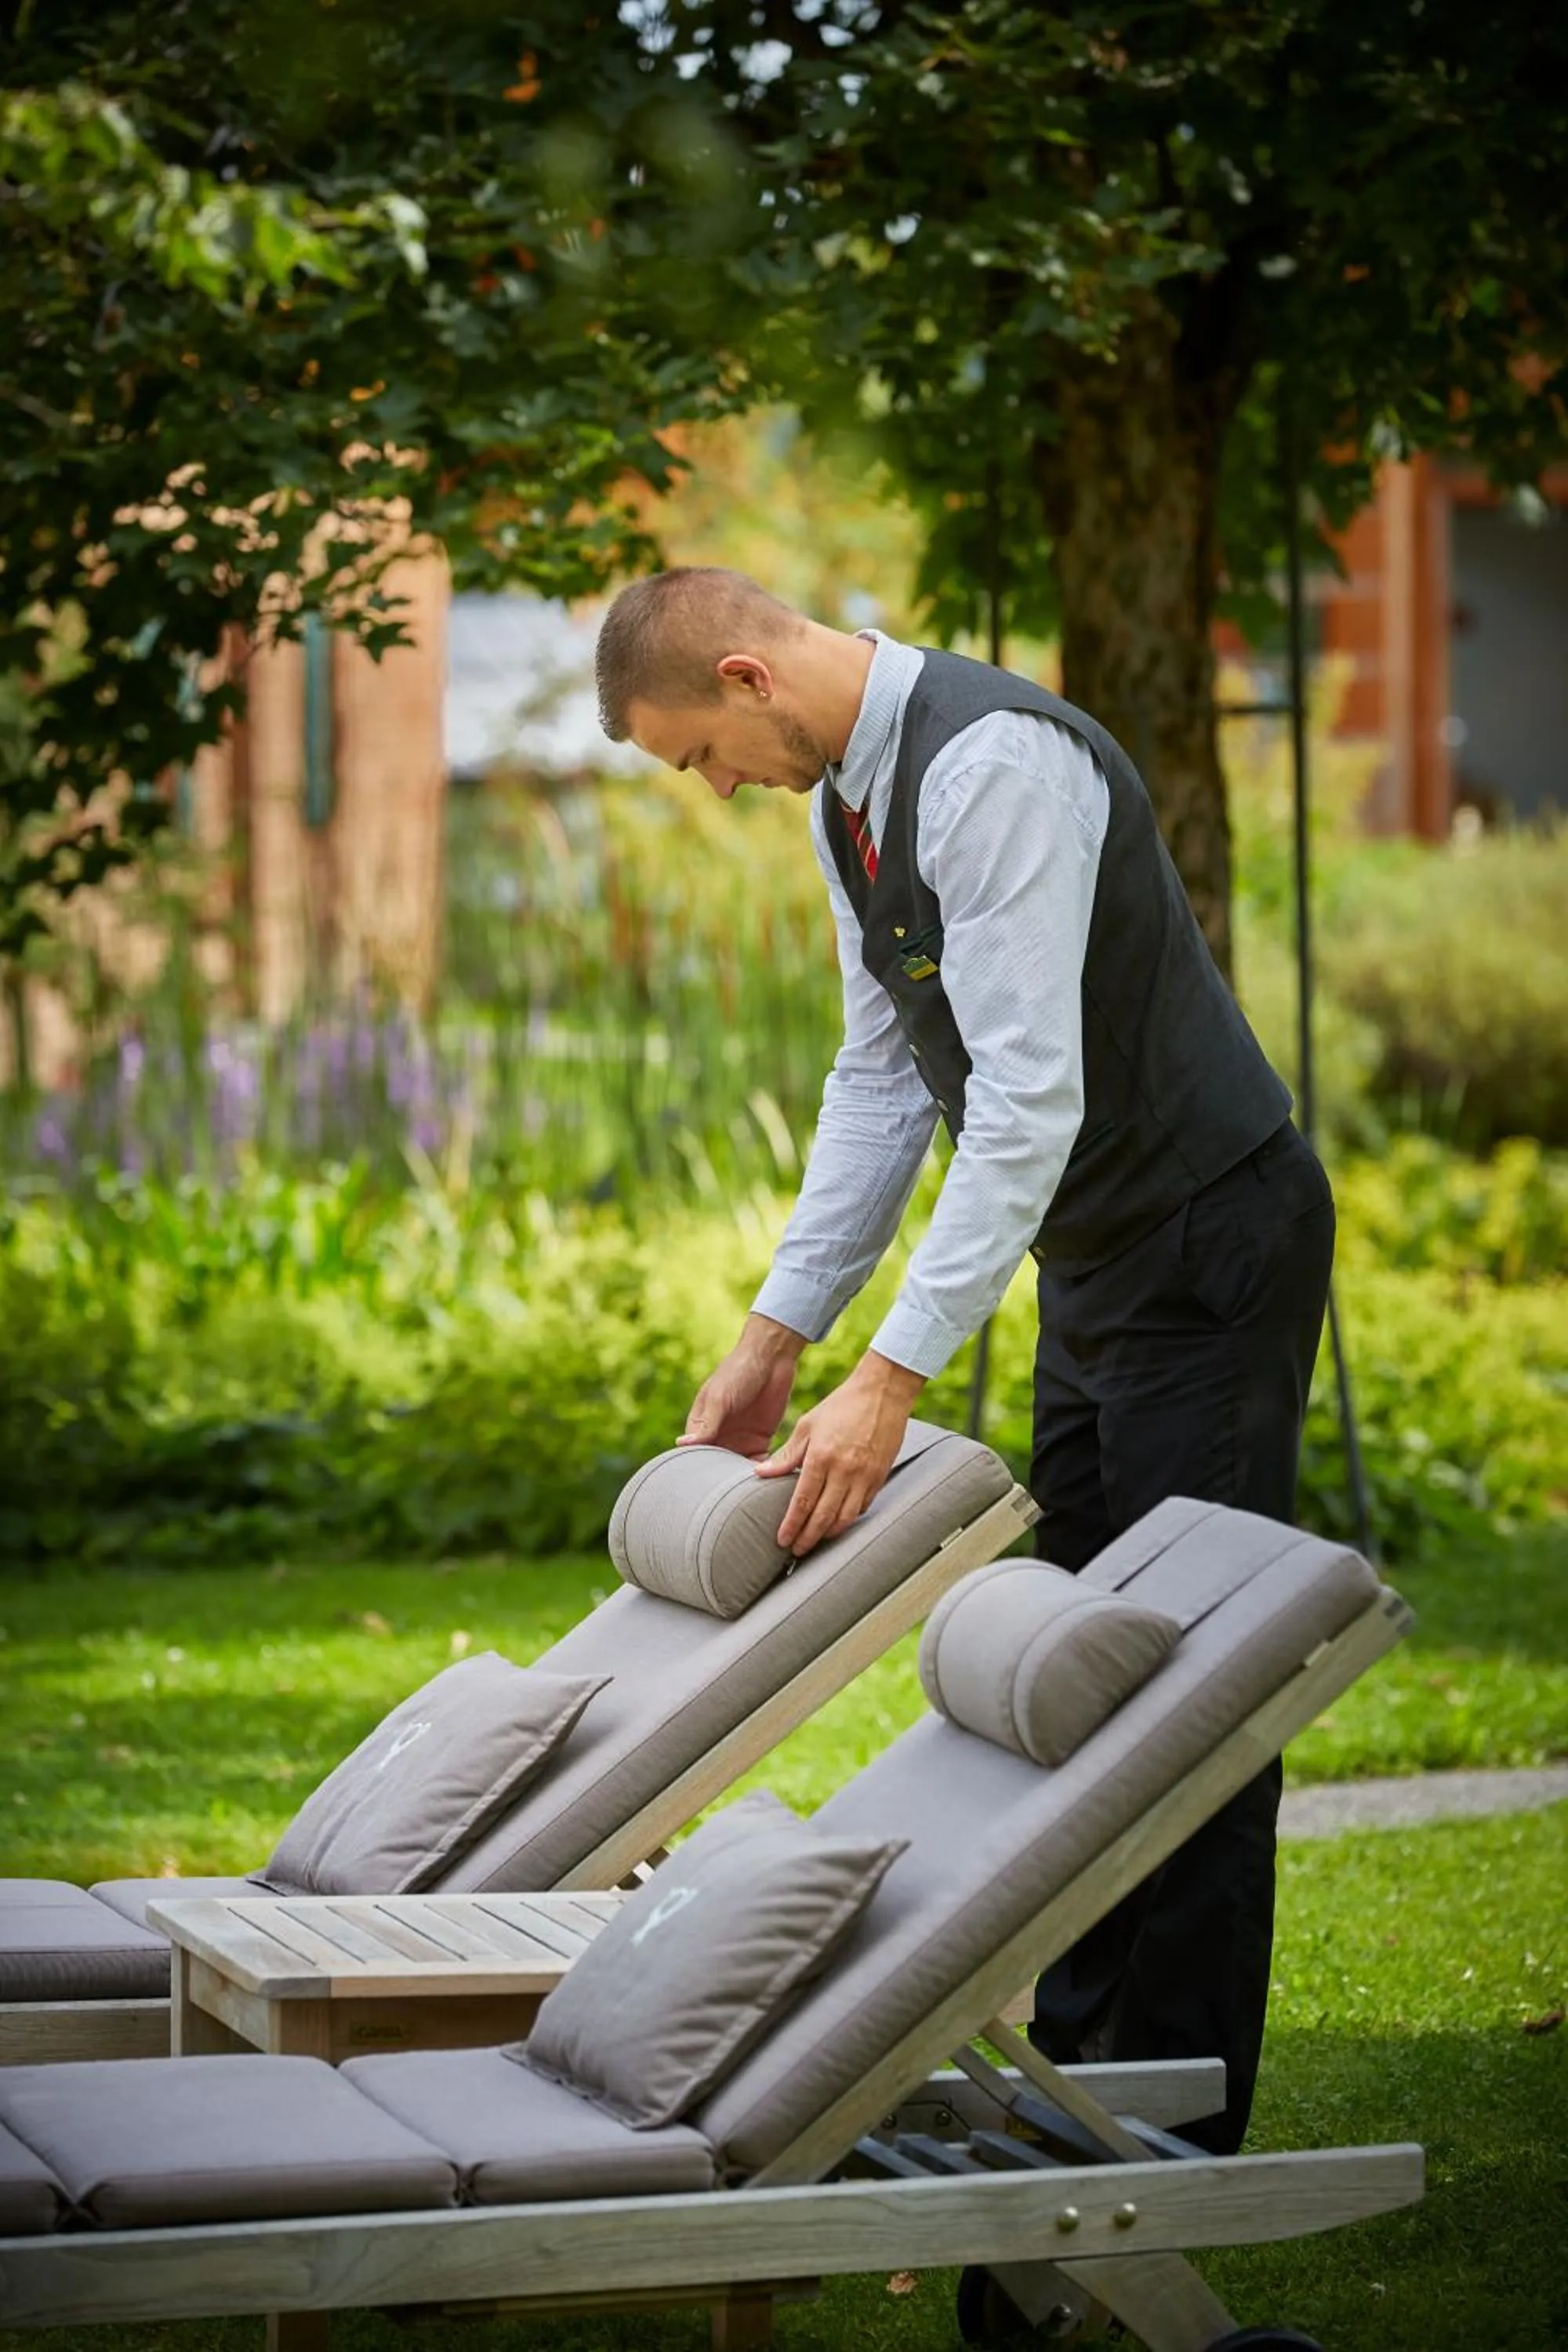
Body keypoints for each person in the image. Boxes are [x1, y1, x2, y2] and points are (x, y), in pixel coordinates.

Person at [593, 566, 1335, 2156]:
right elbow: (880, 1085)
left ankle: (1177, 2140)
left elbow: (1023, 1103)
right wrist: (774, 1344)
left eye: (696, 756)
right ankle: (1058, 2104)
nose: (712, 788)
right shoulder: (846, 806)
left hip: (1210, 1250)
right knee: (1072, 1687)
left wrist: (895, 1376)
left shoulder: (993, 767)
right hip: (1099, 1262)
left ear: (745, 680)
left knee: (1190, 1703)